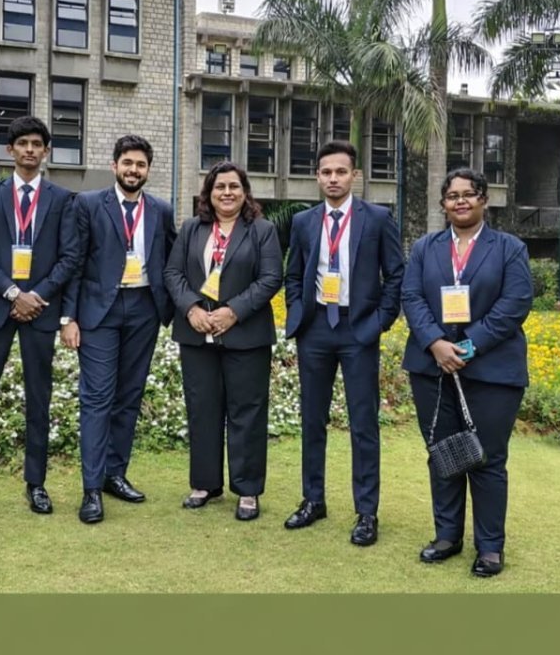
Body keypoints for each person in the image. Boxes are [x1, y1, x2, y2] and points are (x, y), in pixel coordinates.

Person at [401, 168, 532, 577]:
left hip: (492, 371)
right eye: (452, 196)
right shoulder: (425, 248)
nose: (460, 201)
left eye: (468, 194)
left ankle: (489, 547)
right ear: (443, 204)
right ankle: (447, 536)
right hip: (431, 367)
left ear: (483, 201)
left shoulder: (509, 248)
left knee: (487, 459)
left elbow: (515, 303)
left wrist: (468, 347)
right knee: (443, 455)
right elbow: (412, 296)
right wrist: (436, 344)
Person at [0, 117, 79, 520]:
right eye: (22, 143)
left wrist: (36, 296)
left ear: (46, 151)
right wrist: (12, 293)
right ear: (10, 151)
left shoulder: (62, 199)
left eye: (36, 143)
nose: (29, 149)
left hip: (41, 312)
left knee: (39, 400)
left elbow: (70, 256)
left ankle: (35, 484)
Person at [283, 141, 404, 547]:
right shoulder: (304, 222)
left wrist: (378, 324)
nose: (332, 178)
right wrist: (298, 315)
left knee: (363, 424)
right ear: (317, 177)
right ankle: (312, 500)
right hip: (316, 329)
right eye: (325, 172)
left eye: (340, 171)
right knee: (312, 421)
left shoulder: (378, 218)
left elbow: (396, 276)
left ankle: (366, 512)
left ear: (355, 176)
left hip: (358, 329)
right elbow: (293, 275)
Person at [60, 135, 176, 524]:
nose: (133, 170)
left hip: (144, 308)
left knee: (129, 395)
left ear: (148, 170)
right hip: (99, 312)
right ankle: (91, 490)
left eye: (140, 165)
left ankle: (115, 474)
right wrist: (68, 318)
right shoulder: (89, 204)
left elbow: (171, 261)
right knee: (97, 398)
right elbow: (74, 262)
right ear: (114, 166)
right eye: (127, 163)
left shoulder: (161, 210)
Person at [163, 161, 283, 521]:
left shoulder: (262, 230)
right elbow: (172, 273)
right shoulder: (191, 229)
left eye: (234, 186)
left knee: (247, 412)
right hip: (197, 334)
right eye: (219, 187)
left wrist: (233, 311)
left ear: (245, 192)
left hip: (245, 334)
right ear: (209, 194)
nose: (227, 193)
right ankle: (205, 483)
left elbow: (270, 277)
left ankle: (247, 490)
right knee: (203, 409)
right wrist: (191, 310)